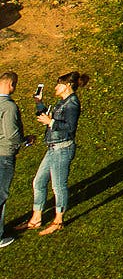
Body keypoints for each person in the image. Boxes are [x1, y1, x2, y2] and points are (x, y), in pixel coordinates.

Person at [26, 71, 86, 235]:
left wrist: (50, 122)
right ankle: (36, 218)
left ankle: (58, 221)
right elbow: (50, 117)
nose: (55, 87)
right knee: (38, 182)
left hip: (62, 149)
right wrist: (39, 104)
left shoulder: (72, 104)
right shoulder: (62, 102)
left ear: (67, 86)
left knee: (58, 186)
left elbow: (70, 127)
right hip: (52, 148)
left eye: (58, 84)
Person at [0, 72, 22, 248]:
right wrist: (24, 140)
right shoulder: (8, 106)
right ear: (11, 84)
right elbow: (11, 134)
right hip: (4, 155)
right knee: (1, 195)